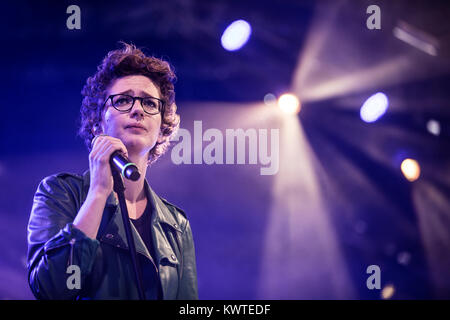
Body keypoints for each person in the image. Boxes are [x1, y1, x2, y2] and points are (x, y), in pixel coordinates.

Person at [26, 42, 198, 300]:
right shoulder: (60, 193)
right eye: (123, 100)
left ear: (162, 127)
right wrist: (98, 193)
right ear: (97, 122)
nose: (138, 109)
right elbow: (50, 287)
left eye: (150, 103)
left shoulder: (176, 224)